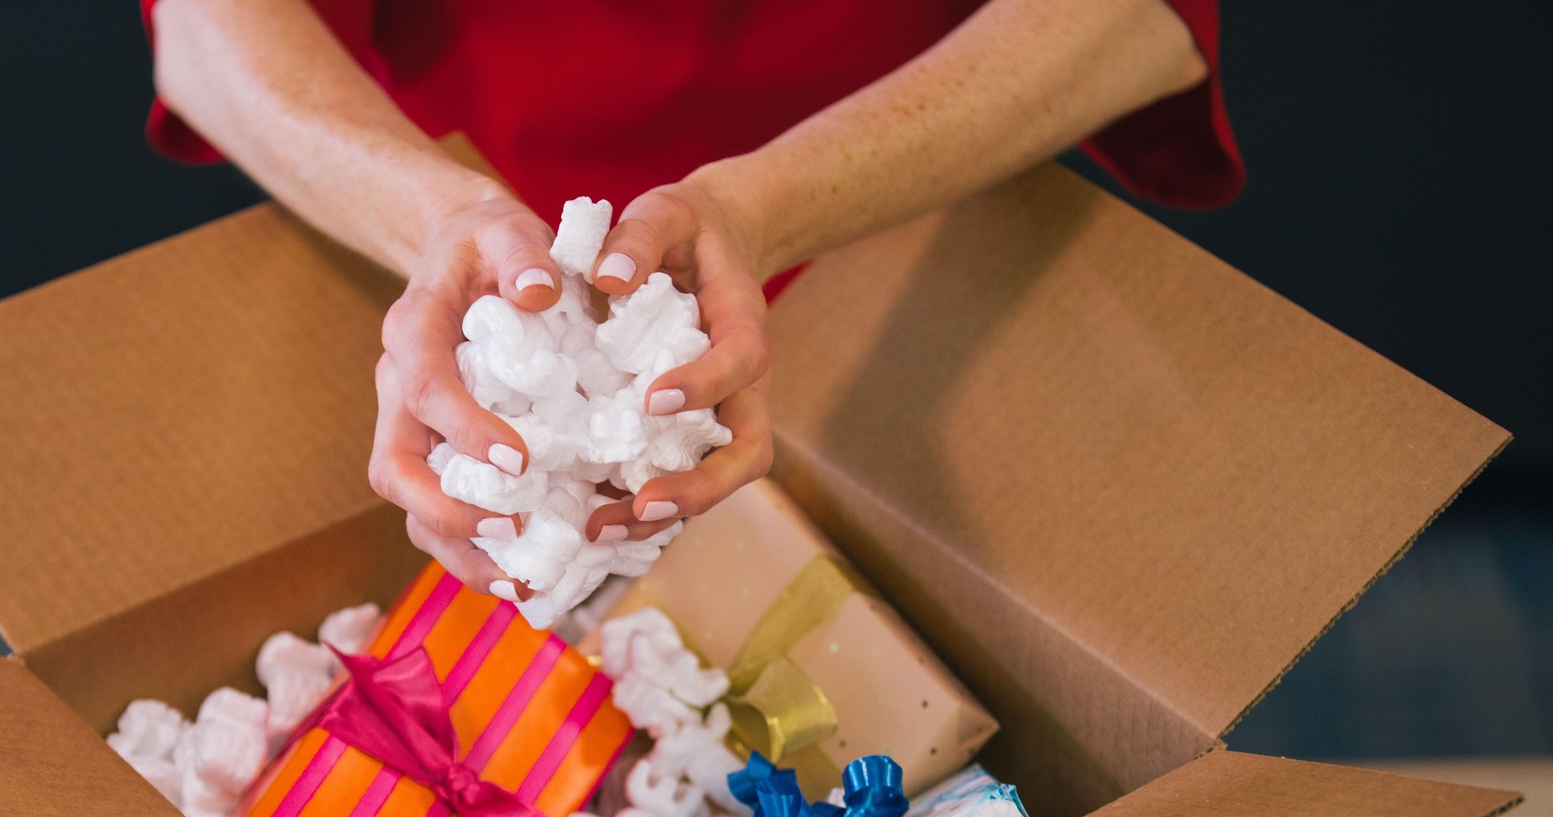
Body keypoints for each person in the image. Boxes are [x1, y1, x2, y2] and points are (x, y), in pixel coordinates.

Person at [143, 0, 1238, 601]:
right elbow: (208, 25)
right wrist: (437, 217)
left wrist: (765, 205)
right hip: (451, 220)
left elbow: (1134, 17)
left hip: (906, 222)